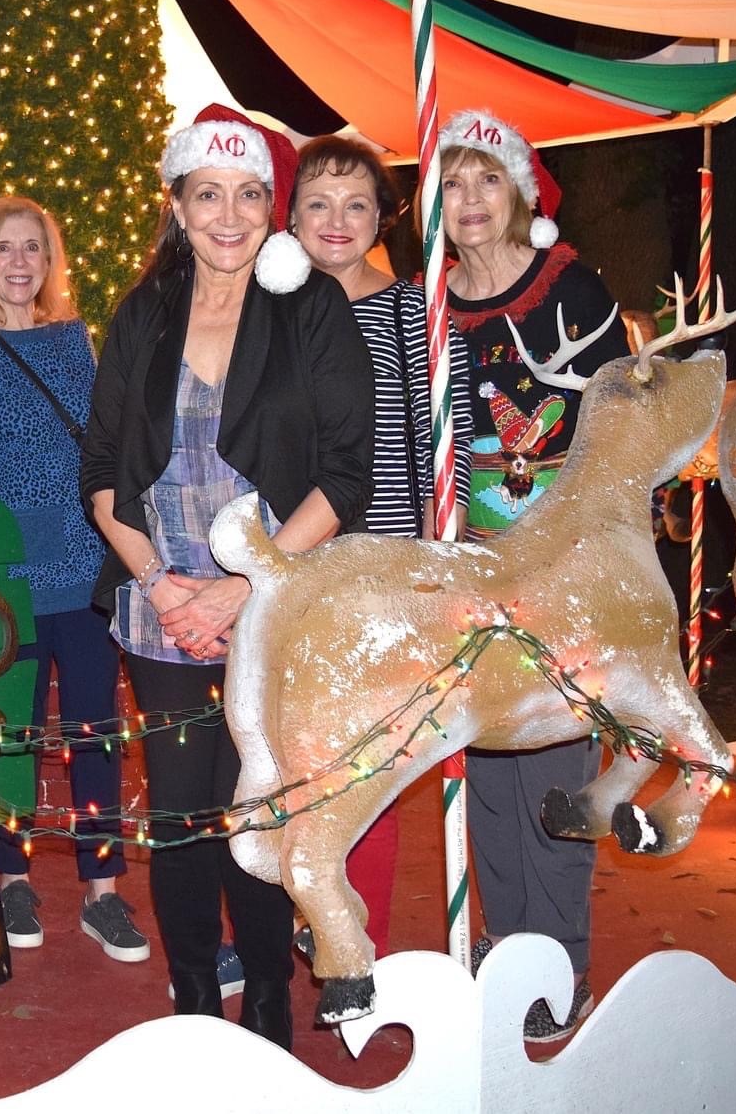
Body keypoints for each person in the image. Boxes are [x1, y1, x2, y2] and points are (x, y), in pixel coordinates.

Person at [83, 104, 375, 1051]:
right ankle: (196, 997)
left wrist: (248, 587)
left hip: (274, 600)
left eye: (249, 195)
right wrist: (163, 585)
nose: (229, 215)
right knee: (180, 813)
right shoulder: (144, 313)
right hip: (159, 600)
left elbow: (348, 472)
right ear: (177, 205)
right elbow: (100, 470)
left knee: (259, 810)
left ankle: (270, 1003)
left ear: (270, 209)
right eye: (208, 195)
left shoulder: (309, 308)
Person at [440, 107, 628, 1043]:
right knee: (486, 765)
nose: (470, 199)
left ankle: (559, 964)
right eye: (452, 182)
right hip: (470, 566)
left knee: (553, 766)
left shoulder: (572, 288)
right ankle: (506, 944)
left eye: (487, 178)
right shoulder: (430, 301)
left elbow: (623, 418)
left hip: (563, 564)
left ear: (518, 190)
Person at [0, 197, 146, 962]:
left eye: (33, 248)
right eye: (5, 247)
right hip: (6, 570)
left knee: (95, 732)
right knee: (8, 735)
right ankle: (13, 876)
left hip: (82, 562)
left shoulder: (73, 338)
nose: (19, 262)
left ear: (50, 261)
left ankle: (102, 890)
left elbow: (102, 439)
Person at [288, 133, 475, 965]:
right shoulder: (271, 310)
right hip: (296, 563)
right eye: (318, 202)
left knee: (370, 767)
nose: (337, 219)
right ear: (292, 216)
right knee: (288, 757)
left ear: (382, 218)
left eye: (356, 203)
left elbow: (447, 447)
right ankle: (282, 920)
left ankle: (356, 941)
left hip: (387, 566)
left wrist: (438, 562)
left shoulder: (413, 311)